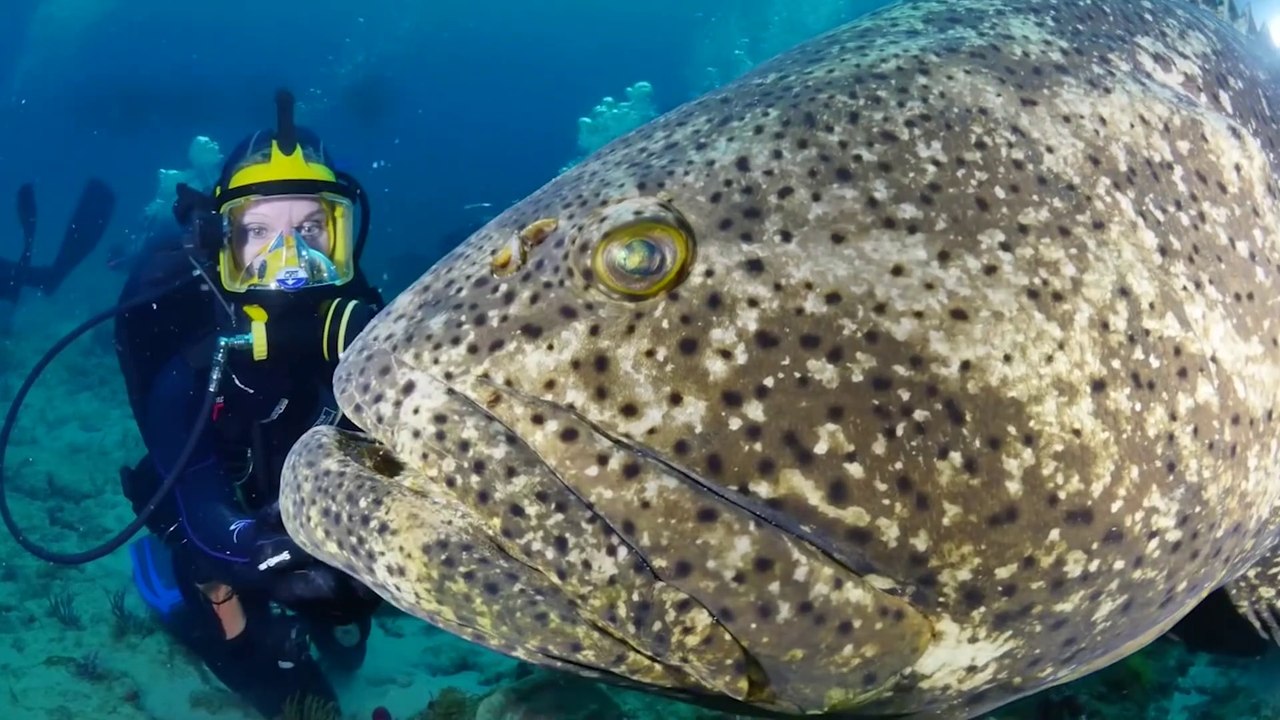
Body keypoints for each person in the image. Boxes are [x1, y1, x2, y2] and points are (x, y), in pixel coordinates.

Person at [113, 89, 385, 718]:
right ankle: (188, 596)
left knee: (349, 621)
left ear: (342, 234)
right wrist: (255, 544)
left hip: (308, 517)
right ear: (222, 242)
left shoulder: (363, 326)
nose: (290, 261)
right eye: (258, 231)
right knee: (290, 690)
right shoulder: (190, 345)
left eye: (311, 229)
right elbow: (199, 486)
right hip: (221, 515)